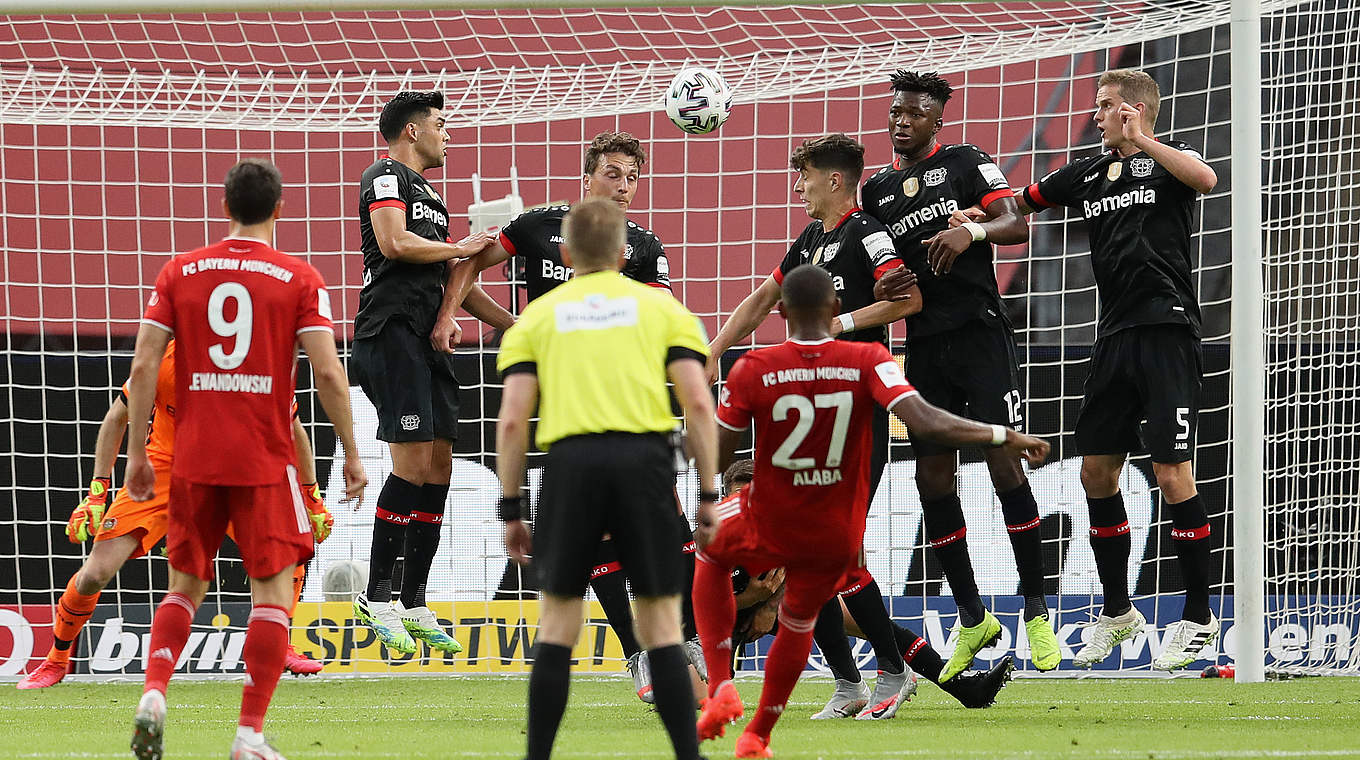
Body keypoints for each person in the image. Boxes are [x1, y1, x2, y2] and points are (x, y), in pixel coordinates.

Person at [692, 264, 1048, 759]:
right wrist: (1000, 434)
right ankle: (759, 734)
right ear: (836, 310)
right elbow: (925, 419)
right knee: (800, 619)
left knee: (705, 553)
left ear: (780, 313)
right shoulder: (869, 359)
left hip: (768, 512)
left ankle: (721, 686)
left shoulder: (755, 366)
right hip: (832, 528)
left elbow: (717, 444)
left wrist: (709, 499)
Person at [444, 131, 699, 701]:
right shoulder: (539, 225)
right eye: (613, 173)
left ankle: (686, 640)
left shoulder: (647, 248)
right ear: (588, 176)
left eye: (632, 177)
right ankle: (641, 656)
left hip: (633, 411)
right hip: (568, 411)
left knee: (670, 531)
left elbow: (664, 330)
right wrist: (506, 326)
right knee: (599, 540)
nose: (624, 186)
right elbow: (465, 267)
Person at [127, 158, 366, 760]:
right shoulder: (298, 278)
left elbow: (142, 367)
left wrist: (135, 455)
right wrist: (354, 454)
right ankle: (248, 734)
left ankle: (154, 692)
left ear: (226, 207)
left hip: (193, 458)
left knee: (185, 587)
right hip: (263, 457)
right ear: (279, 209)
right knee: (272, 595)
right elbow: (329, 375)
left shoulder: (180, 272)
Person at [705, 133, 925, 719]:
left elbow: (908, 300)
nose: (798, 187)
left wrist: (842, 321)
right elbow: (761, 298)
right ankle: (851, 685)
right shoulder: (810, 239)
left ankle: (894, 671)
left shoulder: (868, 231)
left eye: (803, 176)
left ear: (833, 180)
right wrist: (716, 347)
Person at [494, 197, 717, 760]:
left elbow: (514, 419)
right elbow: (697, 402)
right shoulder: (662, 310)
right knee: (663, 627)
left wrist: (512, 508)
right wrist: (710, 492)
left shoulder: (538, 318)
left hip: (571, 469)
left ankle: (537, 756)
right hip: (644, 468)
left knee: (558, 626)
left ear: (566, 254)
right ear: (624, 253)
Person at [1011, 68, 1219, 670]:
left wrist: (1144, 140)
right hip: (1113, 337)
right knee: (1096, 473)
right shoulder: (1087, 174)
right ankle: (1118, 611)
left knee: (1171, 472)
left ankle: (1200, 616)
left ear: (1132, 110)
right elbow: (1024, 202)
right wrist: (972, 224)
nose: (1096, 116)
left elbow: (1205, 179)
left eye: (1105, 107)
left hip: (1168, 331)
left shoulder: (1169, 164)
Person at [858, 69, 1060, 680]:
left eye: (915, 112)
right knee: (932, 481)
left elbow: (1017, 223)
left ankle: (1035, 609)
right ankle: (973, 616)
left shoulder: (968, 161)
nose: (902, 120)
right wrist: (884, 283)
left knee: (1003, 462)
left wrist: (971, 229)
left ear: (935, 119)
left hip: (979, 334)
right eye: (896, 110)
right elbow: (877, 265)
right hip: (924, 343)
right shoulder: (877, 192)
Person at [17, 340, 331, 689]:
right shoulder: (163, 363)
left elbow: (293, 428)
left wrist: (311, 496)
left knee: (284, 549)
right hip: (163, 471)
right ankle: (56, 659)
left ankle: (280, 644)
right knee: (96, 572)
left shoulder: (252, 365)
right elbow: (116, 418)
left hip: (231, 474)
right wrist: (97, 492)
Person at [349, 90, 513, 656]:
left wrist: (515, 324)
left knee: (439, 468)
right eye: (441, 125)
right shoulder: (384, 174)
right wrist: (458, 246)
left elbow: (456, 287)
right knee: (413, 463)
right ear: (413, 131)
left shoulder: (435, 199)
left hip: (428, 338)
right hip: (390, 332)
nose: (449, 134)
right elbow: (393, 243)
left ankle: (414, 600)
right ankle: (375, 595)